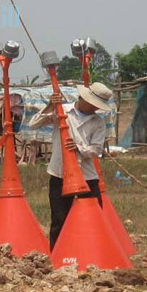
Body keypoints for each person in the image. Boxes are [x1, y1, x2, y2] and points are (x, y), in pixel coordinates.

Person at [29, 82, 113, 250]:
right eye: (93, 105)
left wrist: (79, 149)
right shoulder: (62, 111)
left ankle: (93, 252)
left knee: (95, 216)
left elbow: (96, 149)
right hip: (60, 172)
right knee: (59, 219)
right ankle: (58, 255)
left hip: (87, 176)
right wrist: (50, 105)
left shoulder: (98, 122)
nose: (94, 109)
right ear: (84, 99)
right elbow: (34, 123)